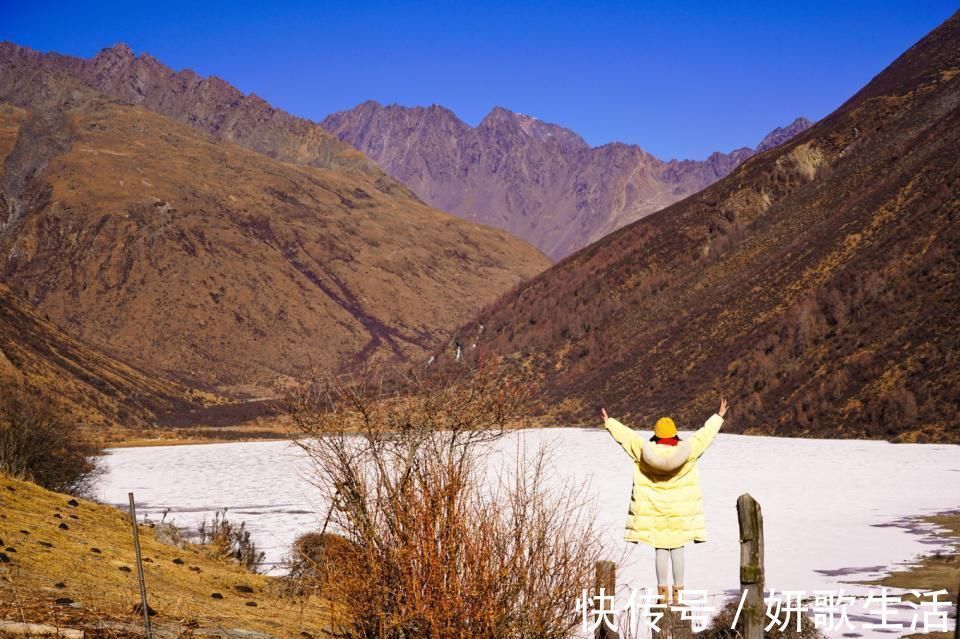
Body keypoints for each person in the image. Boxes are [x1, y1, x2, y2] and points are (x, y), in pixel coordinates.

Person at [600, 398, 728, 605]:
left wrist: (610, 422)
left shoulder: (643, 450)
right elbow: (705, 435)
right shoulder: (689, 450)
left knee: (660, 549)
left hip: (655, 512)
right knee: (677, 549)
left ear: (656, 434)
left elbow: (627, 437)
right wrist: (718, 416)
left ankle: (662, 594)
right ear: (675, 433)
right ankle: (678, 593)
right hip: (681, 513)